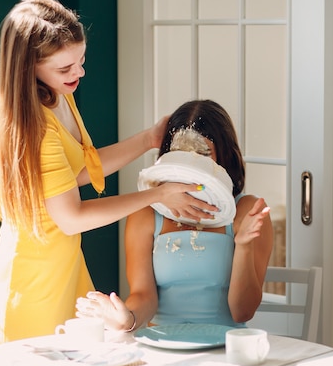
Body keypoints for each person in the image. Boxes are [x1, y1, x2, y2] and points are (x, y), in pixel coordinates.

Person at [0, 0, 216, 349]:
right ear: (30, 67)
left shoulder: (57, 94)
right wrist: (157, 194)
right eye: (65, 68)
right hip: (31, 281)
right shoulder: (36, 130)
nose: (79, 73)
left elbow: (79, 171)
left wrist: (148, 139)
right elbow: (70, 218)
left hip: (64, 265)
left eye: (81, 61)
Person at [76, 100, 274, 331]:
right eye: (180, 153)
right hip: (163, 346)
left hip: (225, 347)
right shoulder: (146, 214)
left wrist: (243, 246)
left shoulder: (247, 211)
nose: (189, 164)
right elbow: (143, 295)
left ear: (224, 155)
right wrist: (127, 319)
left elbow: (243, 311)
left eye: (202, 154)